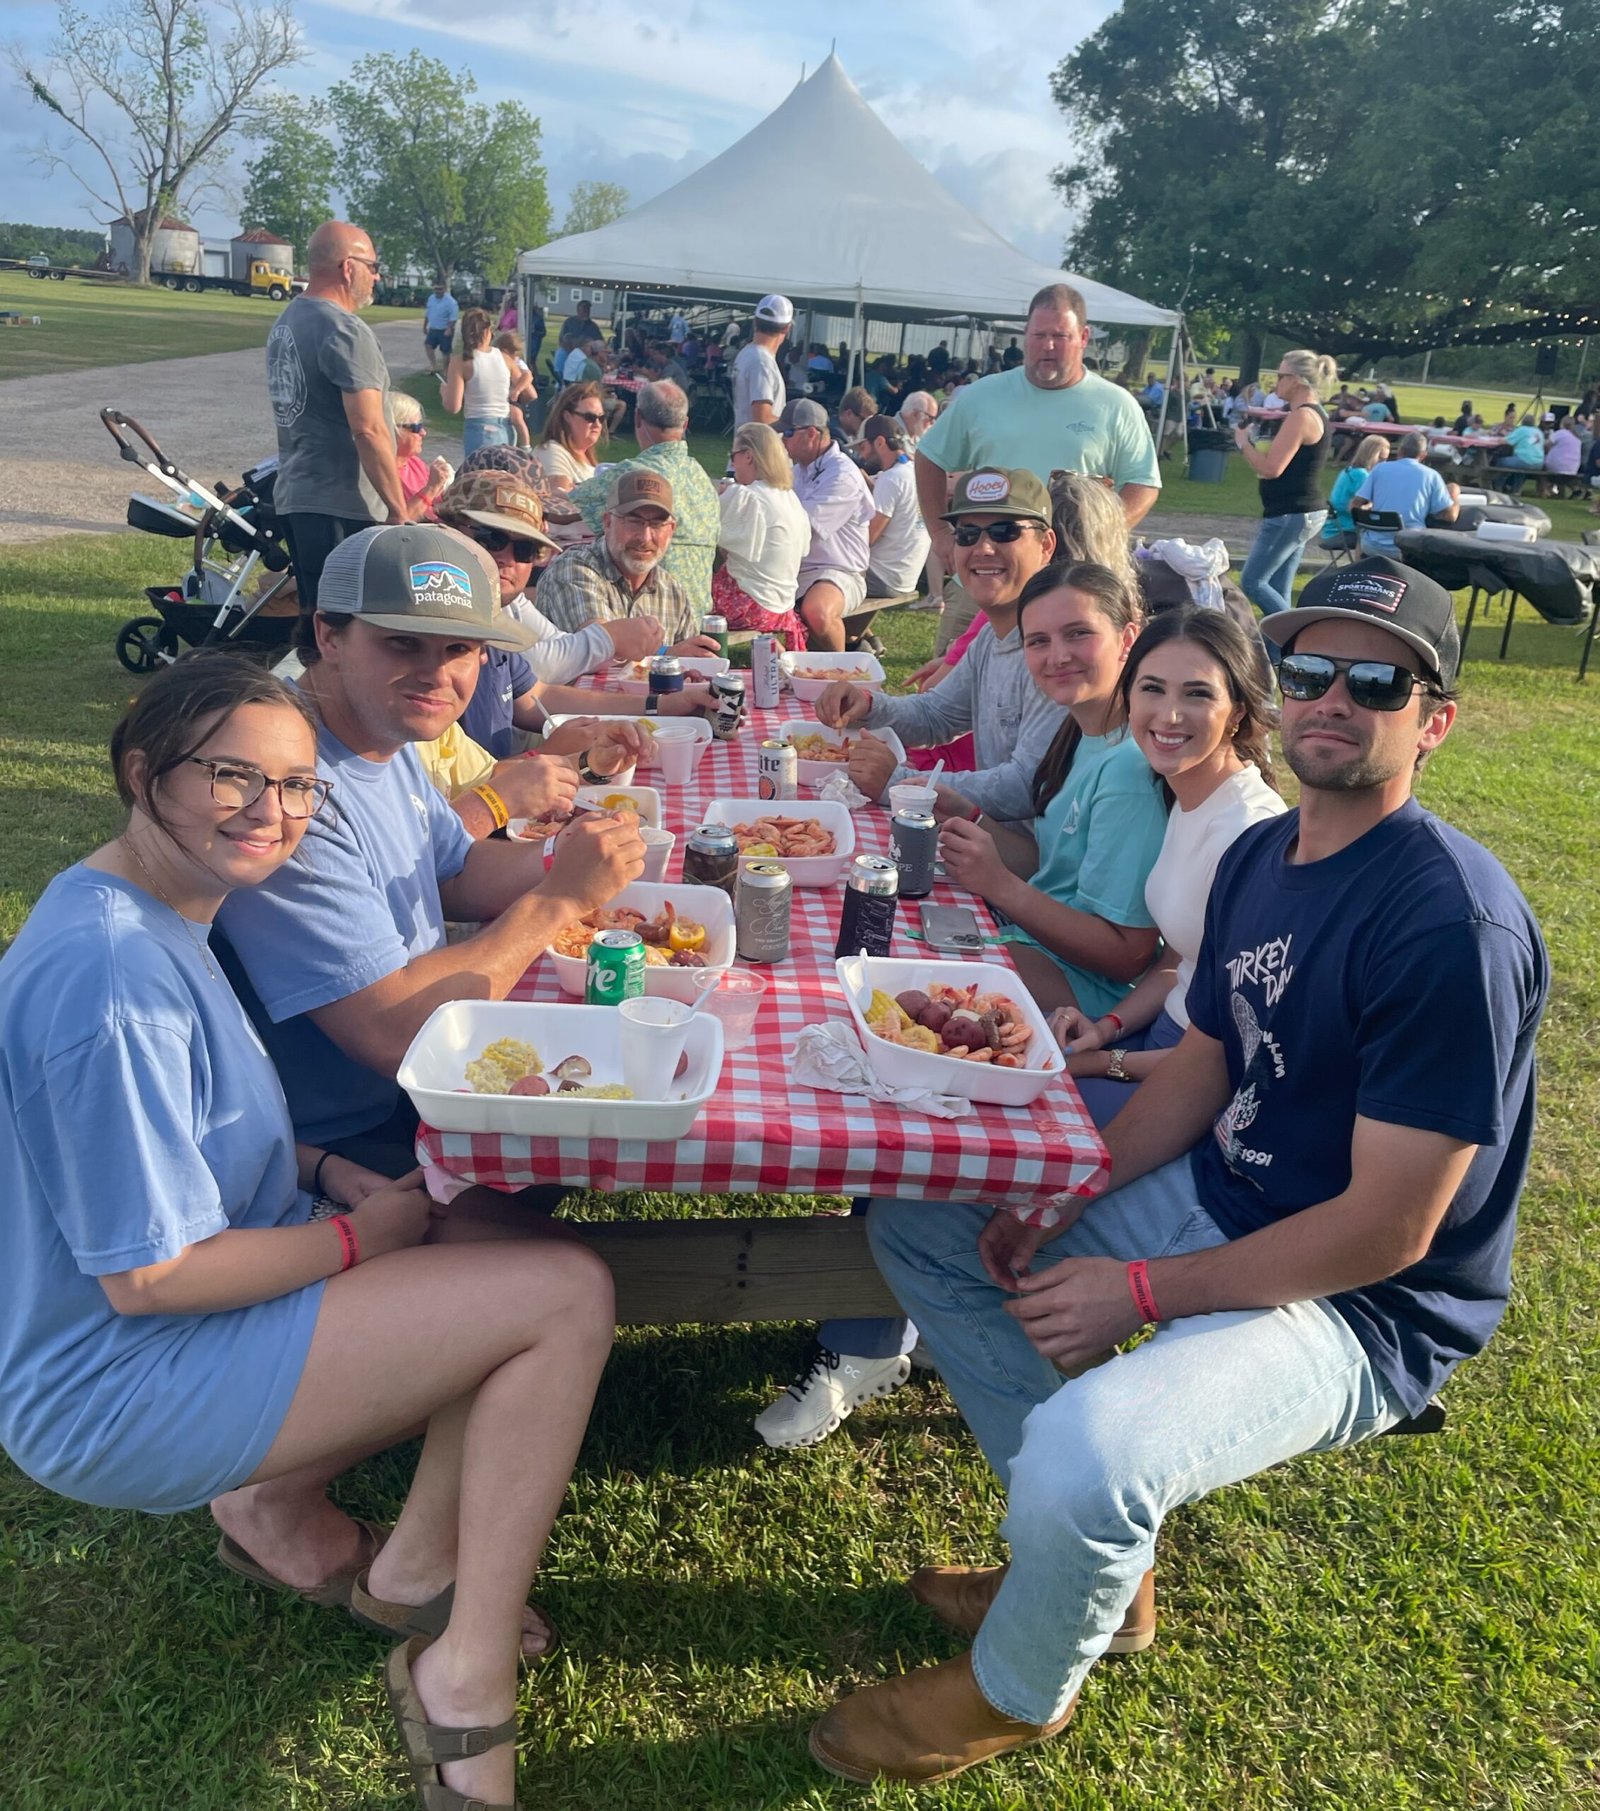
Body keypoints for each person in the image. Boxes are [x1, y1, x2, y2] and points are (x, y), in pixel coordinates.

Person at [821, 557, 1549, 1785]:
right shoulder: (1264, 858)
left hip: (1363, 1302)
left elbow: (1389, 1229)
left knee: (1090, 1448)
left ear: (1435, 720)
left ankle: (1018, 1686)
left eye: (1377, 682)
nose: (1333, 698)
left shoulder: (1444, 922)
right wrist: (1067, 1190)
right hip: (1228, 1187)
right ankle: (1081, 1567)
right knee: (927, 1224)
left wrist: (1142, 1290)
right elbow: (1207, 1058)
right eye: (1310, 669)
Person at [0, 652, 618, 1811]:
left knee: (486, 1222)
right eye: (232, 774)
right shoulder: (111, 978)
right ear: (143, 773)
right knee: (565, 1293)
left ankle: (415, 1566)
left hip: (207, 1296)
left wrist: (333, 1171)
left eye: (294, 785)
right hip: (122, 1380)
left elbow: (193, 1132)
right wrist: (356, 1240)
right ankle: (462, 1669)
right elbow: (150, 1274)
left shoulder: (156, 907)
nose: (270, 810)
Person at [214, 523, 646, 1180]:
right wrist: (559, 901)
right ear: (328, 636)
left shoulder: (380, 735)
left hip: (407, 1087)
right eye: (402, 642)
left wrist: (568, 855)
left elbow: (453, 871)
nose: (436, 672)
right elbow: (394, 1033)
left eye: (458, 648)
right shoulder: (286, 790)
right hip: (332, 1138)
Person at [1049, 607, 1285, 1125]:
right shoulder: (1188, 793)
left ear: (1238, 712)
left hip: (1190, 1079)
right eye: (1152, 689)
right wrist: (1105, 1028)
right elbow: (1178, 963)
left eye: (1197, 694)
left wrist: (1107, 1062)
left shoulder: (1247, 832)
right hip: (1154, 1039)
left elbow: (1234, 1050)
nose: (1169, 715)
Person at [936, 563, 1168, 1017]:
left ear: (1128, 638)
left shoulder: (1129, 770)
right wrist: (972, 817)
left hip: (1088, 996)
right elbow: (1056, 869)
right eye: (1038, 641)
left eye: (1078, 633)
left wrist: (1000, 885)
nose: (1057, 656)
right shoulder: (1080, 732)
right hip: (1036, 946)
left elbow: (1127, 957)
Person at [816, 468, 1067, 821]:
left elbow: (1026, 786)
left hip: (1033, 851)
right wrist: (867, 704)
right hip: (989, 839)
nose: (983, 548)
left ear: (1046, 546)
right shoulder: (991, 636)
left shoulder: (1058, 654)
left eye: (1004, 532)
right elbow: (937, 714)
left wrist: (897, 783)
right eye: (967, 534)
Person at [915, 285, 1162, 574]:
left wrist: (1099, 533)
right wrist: (940, 534)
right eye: (1039, 335)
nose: (1048, 346)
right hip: (987, 572)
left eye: (1060, 336)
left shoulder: (1116, 404)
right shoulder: (981, 396)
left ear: (1084, 337)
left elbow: (1142, 483)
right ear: (1026, 334)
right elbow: (929, 457)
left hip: (1073, 575)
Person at [265, 220, 404, 618]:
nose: (376, 277)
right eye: (372, 266)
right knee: (349, 626)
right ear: (347, 268)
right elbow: (368, 428)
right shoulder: (344, 330)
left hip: (299, 495)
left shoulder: (287, 321)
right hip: (343, 505)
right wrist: (398, 508)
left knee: (318, 621)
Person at [566, 380, 720, 613]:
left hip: (649, 608)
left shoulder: (635, 475)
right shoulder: (702, 478)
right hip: (696, 610)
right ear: (685, 424)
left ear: (638, 418)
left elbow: (568, 508)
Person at [535, 470, 716, 652]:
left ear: (671, 530)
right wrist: (667, 654)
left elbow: (688, 656)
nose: (645, 537)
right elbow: (600, 647)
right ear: (607, 522)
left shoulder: (672, 590)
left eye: (656, 524)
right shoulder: (573, 569)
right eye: (634, 521)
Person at [1234, 349, 1336, 616]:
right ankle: (1281, 642)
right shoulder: (1313, 414)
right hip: (1300, 511)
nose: (1275, 381)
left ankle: (1299, 632)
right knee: (1278, 589)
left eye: (1281, 376)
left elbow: (1271, 469)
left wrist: (1243, 443)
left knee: (1253, 581)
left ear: (1298, 380)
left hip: (1291, 512)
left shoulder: (1301, 416)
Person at [779, 397, 875, 652]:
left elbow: (803, 526)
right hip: (797, 570)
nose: (782, 441)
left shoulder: (842, 474)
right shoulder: (798, 470)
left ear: (811, 433)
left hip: (840, 570)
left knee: (818, 612)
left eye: (787, 433)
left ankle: (842, 669)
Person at [713, 421, 812, 649]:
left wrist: (722, 499)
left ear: (748, 456)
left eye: (733, 455)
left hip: (751, 606)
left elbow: (711, 537)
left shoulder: (747, 496)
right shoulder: (790, 499)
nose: (732, 463)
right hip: (782, 607)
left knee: (689, 588)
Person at [859, 414, 932, 598]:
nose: (862, 455)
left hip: (882, 577)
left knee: (815, 575)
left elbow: (867, 539)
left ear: (880, 442)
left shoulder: (891, 479)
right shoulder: (913, 470)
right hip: (906, 578)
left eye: (863, 447)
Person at [1352, 430, 1457, 551]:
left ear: (1400, 451)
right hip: (1409, 546)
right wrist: (1454, 493)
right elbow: (1450, 516)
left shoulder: (1379, 469)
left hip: (1373, 545)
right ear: (1423, 455)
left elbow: (1355, 504)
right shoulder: (1431, 476)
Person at [441, 308, 516, 458]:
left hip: (479, 427)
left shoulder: (460, 361)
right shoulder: (504, 358)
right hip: (505, 425)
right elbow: (529, 391)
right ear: (488, 330)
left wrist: (444, 392)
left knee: (479, 471)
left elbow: (453, 406)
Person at [732, 294, 792, 427]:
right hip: (760, 440)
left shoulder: (746, 353)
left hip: (745, 436)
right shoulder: (762, 363)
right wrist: (794, 427)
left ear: (755, 321)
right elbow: (762, 419)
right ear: (787, 328)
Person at [390, 393, 453, 521]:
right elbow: (399, 522)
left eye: (422, 426)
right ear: (393, 429)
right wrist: (431, 488)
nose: (423, 433)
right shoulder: (382, 472)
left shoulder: (414, 463)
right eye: (416, 427)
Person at [534, 381, 607, 489]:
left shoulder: (588, 458)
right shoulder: (551, 451)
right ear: (567, 417)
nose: (597, 424)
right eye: (589, 417)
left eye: (601, 418)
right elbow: (559, 494)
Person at [1319, 432, 1387, 549]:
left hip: (1330, 531)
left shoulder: (1348, 471)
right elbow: (1361, 508)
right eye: (1381, 459)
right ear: (1373, 456)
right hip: (1344, 532)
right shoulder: (1362, 476)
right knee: (1385, 538)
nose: (1384, 464)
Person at [421, 277, 459, 375]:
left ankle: (446, 370)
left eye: (440, 289)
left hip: (445, 330)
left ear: (445, 289)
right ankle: (433, 366)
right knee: (428, 345)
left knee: (445, 351)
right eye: (436, 289)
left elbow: (453, 317)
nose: (437, 291)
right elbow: (428, 313)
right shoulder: (431, 298)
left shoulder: (451, 302)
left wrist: (449, 328)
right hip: (433, 329)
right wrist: (425, 326)